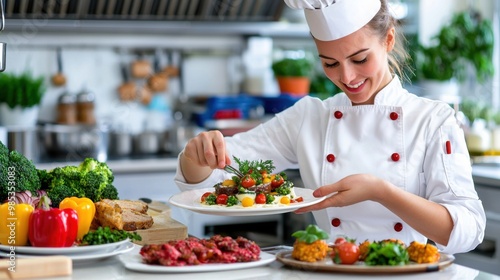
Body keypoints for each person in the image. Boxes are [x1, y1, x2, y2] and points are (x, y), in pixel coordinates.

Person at [174, 0, 485, 254]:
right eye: (330, 64)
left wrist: (381, 192)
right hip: (327, 271)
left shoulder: (432, 120)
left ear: (389, 39)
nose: (347, 77)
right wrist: (196, 155)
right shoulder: (310, 117)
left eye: (360, 59)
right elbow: (217, 174)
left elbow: (468, 229)